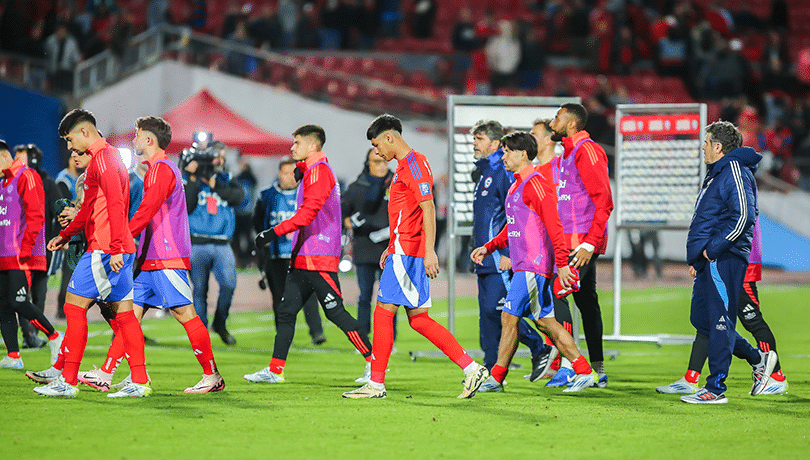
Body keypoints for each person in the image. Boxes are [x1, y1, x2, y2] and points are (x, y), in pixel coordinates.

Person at [343, 114, 489, 399]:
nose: (377, 152)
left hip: (409, 253)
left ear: (390, 137)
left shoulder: (414, 164)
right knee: (418, 319)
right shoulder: (403, 167)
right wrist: (392, 243)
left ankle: (375, 383)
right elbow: (406, 213)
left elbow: (428, 208)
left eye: (377, 145)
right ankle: (471, 369)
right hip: (402, 248)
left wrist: (430, 251)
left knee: (383, 313)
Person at [74, 116, 224, 393]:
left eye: (137, 135)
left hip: (166, 255)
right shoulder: (159, 169)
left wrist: (121, 238)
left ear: (149, 140)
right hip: (152, 257)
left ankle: (212, 376)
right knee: (129, 316)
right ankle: (106, 373)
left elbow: (146, 211)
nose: (134, 140)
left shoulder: (161, 170)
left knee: (185, 313)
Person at [32, 109, 150, 398]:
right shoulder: (102, 159)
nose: (70, 148)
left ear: (84, 132)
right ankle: (139, 380)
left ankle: (68, 381)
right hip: (114, 248)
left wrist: (116, 248)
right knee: (125, 316)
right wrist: (66, 235)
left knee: (73, 307)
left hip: (105, 249)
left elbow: (116, 205)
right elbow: (88, 209)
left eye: (71, 140)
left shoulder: (106, 160)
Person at [470, 131, 597, 393]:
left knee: (508, 317)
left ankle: (496, 377)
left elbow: (555, 225)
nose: (503, 156)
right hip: (524, 265)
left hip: (533, 265)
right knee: (545, 323)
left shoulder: (536, 182)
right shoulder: (517, 184)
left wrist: (562, 263)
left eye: (507, 151)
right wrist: (489, 246)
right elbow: (513, 227)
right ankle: (584, 370)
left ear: (522, 154)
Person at [245, 125, 373, 384]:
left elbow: (307, 215)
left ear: (312, 146)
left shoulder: (319, 172)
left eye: (297, 143)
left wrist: (271, 233)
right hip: (304, 256)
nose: (292, 147)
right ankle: (275, 370)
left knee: (335, 312)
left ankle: (374, 362)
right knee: (286, 311)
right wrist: (302, 169)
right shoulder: (313, 170)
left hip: (318, 256)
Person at [680, 121, 777, 404]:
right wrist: (698, 256)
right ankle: (758, 358)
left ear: (718, 146)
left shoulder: (733, 170)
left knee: (721, 321)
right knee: (701, 320)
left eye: (707, 142)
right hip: (708, 259)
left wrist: (714, 249)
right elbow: (709, 218)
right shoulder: (718, 173)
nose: (703, 147)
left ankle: (716, 388)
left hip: (724, 258)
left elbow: (745, 214)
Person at [657, 216, 788, 395]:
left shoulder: (738, 188)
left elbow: (738, 219)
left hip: (737, 260)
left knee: (750, 320)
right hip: (720, 258)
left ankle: (775, 376)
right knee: (707, 319)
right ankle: (691, 376)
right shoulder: (726, 188)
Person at [469, 120, 550, 380]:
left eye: (479, 138)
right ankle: (490, 369)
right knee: (488, 314)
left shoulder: (503, 171)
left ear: (494, 143)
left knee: (501, 310)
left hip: (501, 259)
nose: (474, 144)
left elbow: (512, 214)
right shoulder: (486, 173)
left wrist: (506, 253)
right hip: (486, 256)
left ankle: (540, 349)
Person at [548, 102, 614, 387]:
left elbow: (604, 201)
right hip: (570, 241)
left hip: (580, 242)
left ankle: (572, 366)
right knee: (586, 301)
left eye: (557, 118)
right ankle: (597, 369)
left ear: (572, 124)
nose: (553, 123)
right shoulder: (566, 154)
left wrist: (590, 244)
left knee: (557, 293)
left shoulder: (588, 151)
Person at [0, 140, 63, 370]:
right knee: (4, 306)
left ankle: (55, 337)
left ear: (4, 156)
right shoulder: (3, 182)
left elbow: (36, 216)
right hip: (4, 255)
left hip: (20, 255)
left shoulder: (26, 176)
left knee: (18, 302)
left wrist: (26, 249)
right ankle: (14, 356)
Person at [253, 157, 325, 346]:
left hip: (301, 253)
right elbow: (257, 220)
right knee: (279, 298)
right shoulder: (267, 194)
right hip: (276, 255)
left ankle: (317, 332)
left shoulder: (307, 194)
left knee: (309, 295)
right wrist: (263, 238)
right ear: (279, 173)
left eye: (292, 172)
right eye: (285, 172)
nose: (289, 177)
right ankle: (283, 335)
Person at [529, 118, 578, 384]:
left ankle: (570, 365)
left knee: (559, 299)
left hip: (563, 246)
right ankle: (556, 362)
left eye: (534, 133)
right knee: (544, 305)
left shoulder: (562, 168)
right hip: (541, 248)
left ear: (549, 139)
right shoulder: (535, 172)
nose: (530, 137)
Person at [184, 141, 244, 345]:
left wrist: (214, 184)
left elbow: (238, 198)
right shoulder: (190, 178)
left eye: (222, 155)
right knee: (199, 290)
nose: (219, 159)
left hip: (222, 243)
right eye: (216, 155)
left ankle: (220, 322)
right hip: (197, 241)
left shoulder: (226, 178)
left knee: (229, 284)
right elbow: (187, 205)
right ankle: (201, 333)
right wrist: (192, 177)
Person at [341, 148, 396, 365]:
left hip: (389, 247)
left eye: (384, 161)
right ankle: (363, 339)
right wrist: (350, 222)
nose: (381, 166)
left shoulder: (395, 183)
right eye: (376, 161)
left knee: (390, 298)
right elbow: (344, 212)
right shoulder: (358, 186)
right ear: (368, 163)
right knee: (364, 296)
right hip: (364, 247)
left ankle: (390, 341)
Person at [13, 144, 68, 349]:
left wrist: (61, 237)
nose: (15, 160)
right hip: (16, 249)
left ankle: (34, 333)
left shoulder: (48, 184)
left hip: (42, 249)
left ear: (33, 160)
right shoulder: (11, 182)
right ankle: (28, 335)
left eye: (21, 157)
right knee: (20, 294)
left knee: (39, 293)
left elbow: (58, 212)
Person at [54, 148, 87, 319]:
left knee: (81, 271)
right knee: (69, 271)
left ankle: (76, 307)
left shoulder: (83, 178)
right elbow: (63, 206)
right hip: (70, 231)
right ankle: (61, 307)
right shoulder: (63, 180)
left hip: (83, 229)